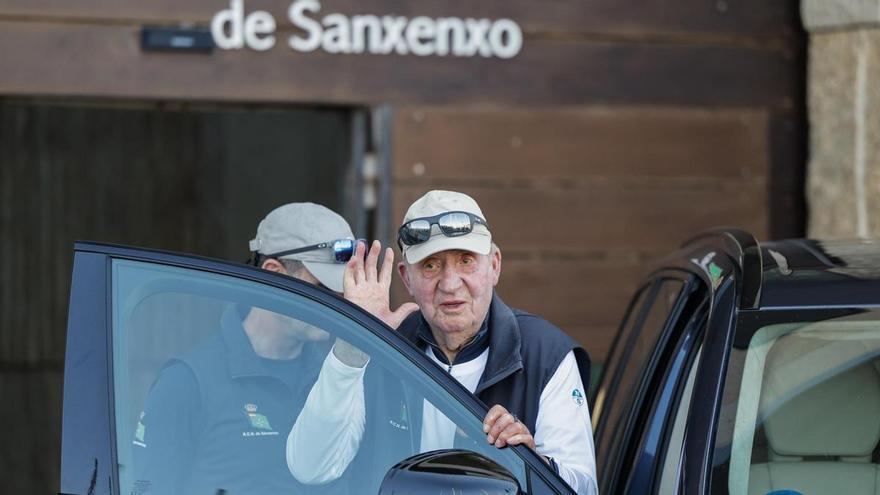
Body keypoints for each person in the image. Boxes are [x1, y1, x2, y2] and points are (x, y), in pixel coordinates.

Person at [287, 190, 598, 495]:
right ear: (406, 278)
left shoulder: (544, 352)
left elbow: (582, 487)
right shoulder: (382, 344)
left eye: (466, 261)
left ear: (494, 266)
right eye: (431, 265)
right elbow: (311, 467)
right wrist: (354, 344)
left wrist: (531, 463)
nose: (450, 284)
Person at [131, 203, 360, 495]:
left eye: (340, 290)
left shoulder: (340, 378)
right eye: (323, 287)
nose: (336, 302)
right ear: (274, 274)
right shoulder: (188, 382)